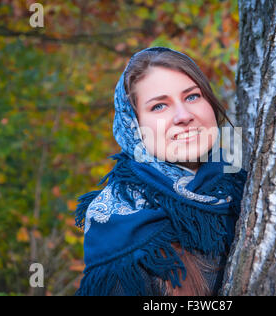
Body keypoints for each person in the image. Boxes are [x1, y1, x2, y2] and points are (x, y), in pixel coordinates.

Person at [74, 47, 247, 296]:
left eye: (192, 97)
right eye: (159, 106)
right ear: (134, 126)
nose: (183, 116)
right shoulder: (121, 225)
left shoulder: (242, 186)